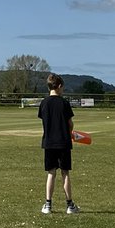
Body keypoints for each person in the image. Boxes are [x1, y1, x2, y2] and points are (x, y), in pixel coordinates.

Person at [37, 72, 80, 215]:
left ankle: (48, 204)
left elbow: (45, 121)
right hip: (63, 142)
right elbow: (70, 124)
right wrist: (69, 132)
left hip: (49, 143)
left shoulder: (44, 103)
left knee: (51, 173)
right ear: (60, 86)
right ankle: (70, 205)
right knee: (65, 173)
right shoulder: (64, 103)